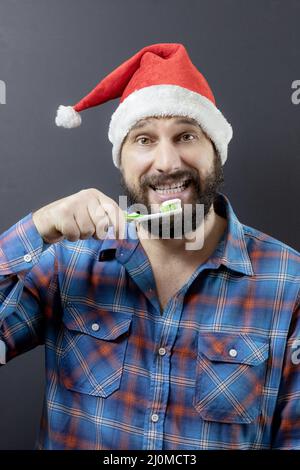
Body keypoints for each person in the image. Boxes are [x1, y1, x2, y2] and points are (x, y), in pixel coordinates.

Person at [0, 43, 299, 450]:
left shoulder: (289, 282)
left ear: (216, 151)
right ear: (121, 159)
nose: (166, 162)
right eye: (143, 139)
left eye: (186, 135)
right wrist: (37, 228)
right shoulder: (65, 261)